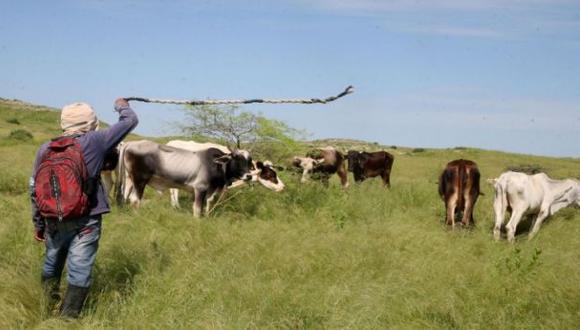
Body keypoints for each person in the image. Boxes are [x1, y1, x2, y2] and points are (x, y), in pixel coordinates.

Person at [30, 98, 138, 318]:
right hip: (86, 218)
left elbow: (34, 189)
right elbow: (130, 120)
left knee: (52, 262)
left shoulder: (45, 148)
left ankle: (44, 306)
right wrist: (121, 105)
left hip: (53, 219)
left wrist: (39, 224)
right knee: (79, 268)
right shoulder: (95, 141)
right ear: (90, 123)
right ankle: (68, 318)